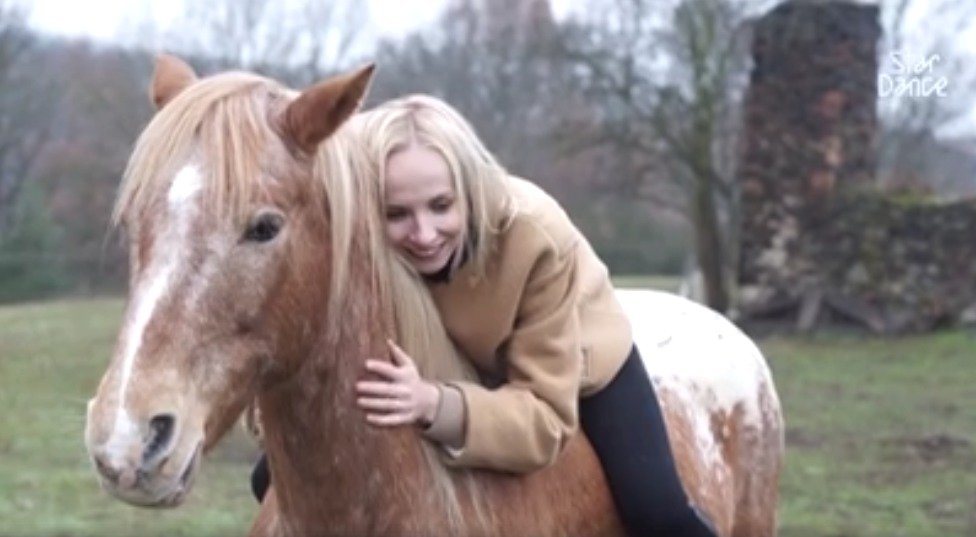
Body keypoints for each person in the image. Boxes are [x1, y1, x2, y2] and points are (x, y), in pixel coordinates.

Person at [252, 94, 716, 537]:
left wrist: (435, 404)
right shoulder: (358, 238)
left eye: (441, 205)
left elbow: (543, 421)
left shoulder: (534, 236)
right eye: (397, 213)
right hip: (442, 358)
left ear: (468, 190)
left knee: (656, 512)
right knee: (266, 480)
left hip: (567, 359)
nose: (424, 234)